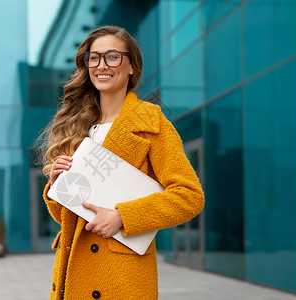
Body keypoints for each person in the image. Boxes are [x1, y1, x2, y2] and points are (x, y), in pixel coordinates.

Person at [39, 25, 204, 300]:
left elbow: (189, 196)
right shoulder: (79, 127)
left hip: (120, 279)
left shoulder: (151, 123)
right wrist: (58, 189)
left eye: (112, 56)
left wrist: (122, 216)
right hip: (74, 276)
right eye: (94, 57)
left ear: (131, 66)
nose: (101, 65)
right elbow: (71, 221)